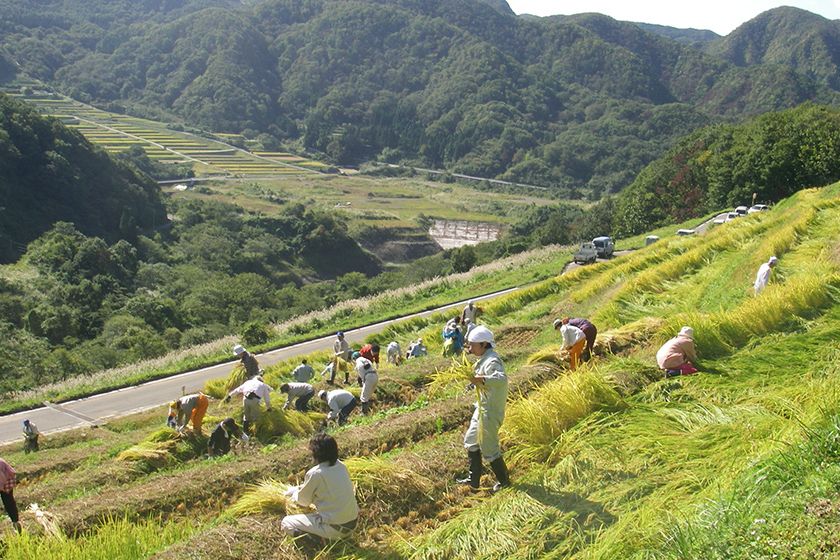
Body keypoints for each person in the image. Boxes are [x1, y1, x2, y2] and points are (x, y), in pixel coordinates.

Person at [457, 326, 510, 492]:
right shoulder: (483, 359)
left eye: (473, 345)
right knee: (471, 441)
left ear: (484, 344)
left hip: (490, 412)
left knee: (489, 448)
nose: (470, 348)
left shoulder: (492, 360)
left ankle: (505, 482)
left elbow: (500, 379)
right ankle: (473, 481)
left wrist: (481, 379)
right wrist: (473, 383)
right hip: (480, 409)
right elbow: (480, 380)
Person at [280, 433, 359, 540]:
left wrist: (294, 494)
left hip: (335, 530)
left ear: (317, 454)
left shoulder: (315, 473)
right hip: (352, 526)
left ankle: (315, 542)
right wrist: (297, 488)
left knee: (286, 522)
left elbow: (303, 501)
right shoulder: (341, 466)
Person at [0, 458, 21, 533]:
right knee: (9, 502)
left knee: (8, 502)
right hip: (5, 479)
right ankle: (15, 521)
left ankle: (15, 522)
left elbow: (1, 479)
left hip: (6, 480)